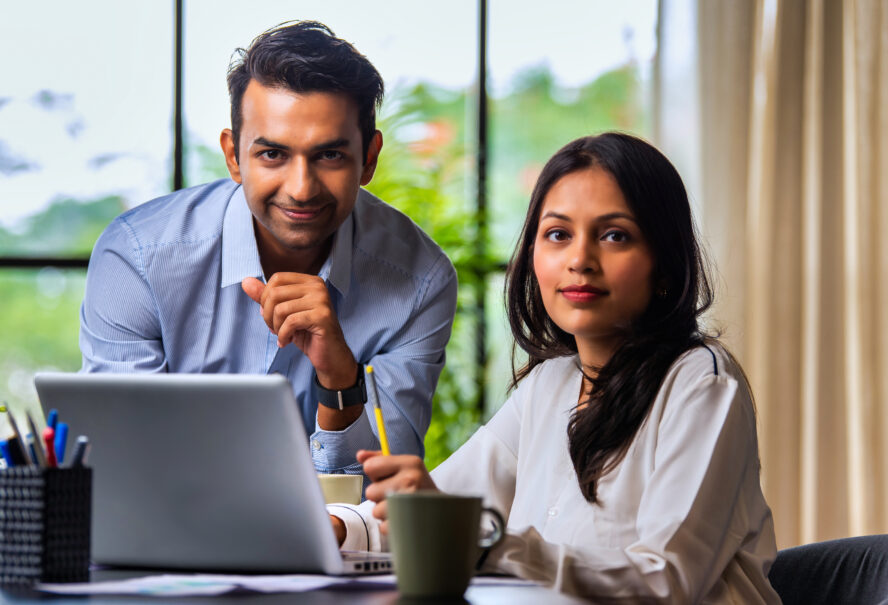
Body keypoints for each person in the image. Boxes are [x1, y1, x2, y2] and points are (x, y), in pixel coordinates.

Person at [330, 133, 780, 603]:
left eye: (614, 236)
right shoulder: (552, 383)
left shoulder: (701, 383)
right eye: (558, 234)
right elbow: (433, 507)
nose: (580, 261)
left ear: (663, 266)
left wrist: (485, 544)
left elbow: (665, 581)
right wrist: (339, 526)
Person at [79, 21, 458, 474]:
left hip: (332, 546)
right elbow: (120, 466)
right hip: (164, 543)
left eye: (330, 155)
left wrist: (340, 381)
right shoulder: (138, 257)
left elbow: (381, 497)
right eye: (273, 155)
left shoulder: (420, 281)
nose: (300, 189)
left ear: (370, 158)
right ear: (234, 156)